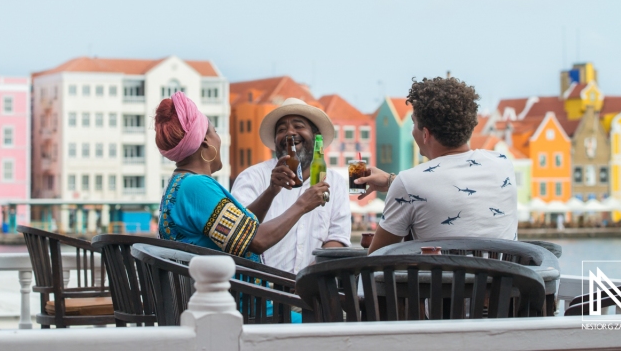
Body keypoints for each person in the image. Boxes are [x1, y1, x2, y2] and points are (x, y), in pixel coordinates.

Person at [155, 92, 330, 261]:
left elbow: (242, 228)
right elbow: (256, 240)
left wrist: (271, 191)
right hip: (233, 290)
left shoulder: (181, 183)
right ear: (205, 143)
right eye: (215, 131)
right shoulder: (196, 187)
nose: (219, 138)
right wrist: (302, 205)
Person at [356, 77, 518, 254]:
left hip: (440, 282)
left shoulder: (408, 183)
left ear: (425, 134)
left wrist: (397, 183)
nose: (412, 130)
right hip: (504, 281)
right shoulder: (503, 163)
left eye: (413, 123)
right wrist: (392, 181)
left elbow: (376, 258)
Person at [231, 98, 351, 273]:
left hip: (312, 290)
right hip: (261, 290)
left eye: (298, 126)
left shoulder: (335, 183)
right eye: (281, 129)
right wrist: (272, 192)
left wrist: (308, 277)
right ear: (275, 141)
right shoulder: (253, 177)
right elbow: (239, 234)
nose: (290, 133)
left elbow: (337, 239)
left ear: (316, 137)